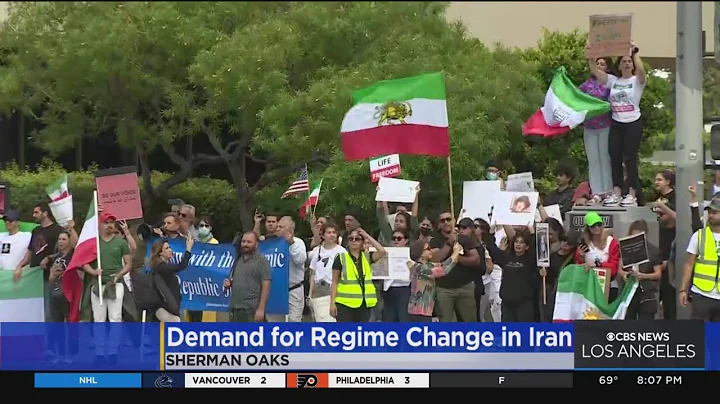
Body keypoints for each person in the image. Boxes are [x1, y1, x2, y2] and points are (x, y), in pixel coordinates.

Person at [588, 41, 646, 207]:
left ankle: (632, 194)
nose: (627, 63)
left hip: (633, 122)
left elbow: (641, 70)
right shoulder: (613, 81)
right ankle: (617, 192)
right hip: (616, 122)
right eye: (624, 61)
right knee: (614, 157)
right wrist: (591, 53)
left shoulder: (637, 80)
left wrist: (634, 52)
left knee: (630, 158)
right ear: (619, 65)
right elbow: (594, 70)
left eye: (629, 61)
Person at [430, 213, 482, 322]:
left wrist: (456, 258)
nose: (446, 222)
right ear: (439, 224)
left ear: (454, 221)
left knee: (471, 322)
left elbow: (476, 259)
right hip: (444, 289)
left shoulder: (464, 238)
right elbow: (435, 258)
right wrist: (449, 244)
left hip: (465, 286)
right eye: (442, 220)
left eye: (448, 219)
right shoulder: (435, 240)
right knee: (446, 322)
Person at [330, 228, 385, 322]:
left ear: (362, 242)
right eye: (351, 239)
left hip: (364, 303)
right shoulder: (340, 258)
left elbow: (382, 251)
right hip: (344, 304)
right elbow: (334, 282)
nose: (354, 241)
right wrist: (332, 303)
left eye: (357, 239)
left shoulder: (366, 257)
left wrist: (367, 235)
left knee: (360, 334)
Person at [679, 194, 720, 321]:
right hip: (701, 295)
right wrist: (683, 289)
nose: (711, 215)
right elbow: (689, 264)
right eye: (710, 212)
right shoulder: (699, 236)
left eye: (715, 212)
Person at [579, 57, 614, 199]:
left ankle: (608, 190)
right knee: (593, 159)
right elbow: (576, 96)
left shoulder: (610, 83)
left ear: (607, 67)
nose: (599, 66)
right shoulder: (588, 84)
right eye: (597, 63)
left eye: (602, 64)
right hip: (589, 126)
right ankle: (597, 191)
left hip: (605, 125)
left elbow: (614, 101)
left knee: (605, 158)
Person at [14, 202, 73, 282]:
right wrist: (19, 267)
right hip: (34, 275)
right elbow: (29, 252)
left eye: (36, 212)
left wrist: (49, 258)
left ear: (45, 213)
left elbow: (67, 248)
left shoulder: (57, 229)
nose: (33, 215)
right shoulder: (36, 230)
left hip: (50, 274)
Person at [407, 239, 462, 322]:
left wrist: (455, 253)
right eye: (428, 248)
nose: (431, 250)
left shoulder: (426, 265)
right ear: (421, 253)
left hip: (423, 312)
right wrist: (456, 252)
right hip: (419, 313)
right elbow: (444, 269)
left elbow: (444, 264)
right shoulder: (420, 268)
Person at [223, 232, 271, 322]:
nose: (245, 244)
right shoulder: (238, 259)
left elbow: (266, 285)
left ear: (256, 244)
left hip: (251, 310)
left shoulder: (261, 261)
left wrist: (261, 309)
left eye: (249, 242)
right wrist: (229, 283)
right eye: (243, 241)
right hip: (235, 309)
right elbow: (237, 279)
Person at [618, 220, 662, 320]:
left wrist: (643, 275)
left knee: (646, 323)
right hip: (629, 292)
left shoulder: (653, 251)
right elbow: (619, 270)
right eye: (633, 236)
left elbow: (658, 274)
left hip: (646, 292)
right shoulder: (625, 248)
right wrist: (626, 275)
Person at [575, 211, 621, 302]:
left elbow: (614, 268)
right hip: (588, 286)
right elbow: (578, 268)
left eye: (599, 224)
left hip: (608, 285)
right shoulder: (584, 243)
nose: (597, 227)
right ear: (587, 228)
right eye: (593, 225)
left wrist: (597, 265)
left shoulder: (612, 242)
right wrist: (580, 257)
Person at [148, 237, 194, 322]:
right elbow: (181, 266)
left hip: (170, 307)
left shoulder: (163, 266)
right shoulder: (161, 267)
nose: (170, 250)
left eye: (169, 247)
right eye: (166, 248)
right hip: (164, 308)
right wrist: (188, 249)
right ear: (160, 253)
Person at [308, 224, 346, 322]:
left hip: (333, 289)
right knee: (320, 319)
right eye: (329, 232)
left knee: (331, 320)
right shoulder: (317, 251)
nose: (332, 235)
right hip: (319, 288)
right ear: (323, 235)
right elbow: (313, 273)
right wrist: (310, 294)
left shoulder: (342, 252)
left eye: (334, 232)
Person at [652, 170, 676, 320]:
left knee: (669, 294)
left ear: (668, 181)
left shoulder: (675, 196)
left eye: (659, 179)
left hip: (670, 248)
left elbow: (678, 217)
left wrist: (662, 206)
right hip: (658, 245)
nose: (656, 182)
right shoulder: (658, 198)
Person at [500, 230, 538, 322]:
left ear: (527, 246)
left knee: (524, 331)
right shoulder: (506, 257)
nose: (518, 244)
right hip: (507, 303)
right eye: (516, 242)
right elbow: (493, 252)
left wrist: (533, 233)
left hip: (524, 303)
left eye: (522, 242)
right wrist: (491, 233)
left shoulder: (530, 260)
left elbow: (536, 247)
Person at [542, 231, 580, 322]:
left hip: (566, 295)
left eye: (570, 242)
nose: (566, 243)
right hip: (552, 293)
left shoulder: (574, 258)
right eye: (564, 240)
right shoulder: (552, 256)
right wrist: (542, 273)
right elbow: (546, 277)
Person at [277, 216, 308, 322]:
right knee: (275, 323)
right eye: (277, 226)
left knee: (294, 323)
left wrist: (291, 243)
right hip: (276, 291)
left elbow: (300, 260)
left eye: (281, 227)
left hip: (294, 290)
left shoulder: (298, 242)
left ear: (290, 230)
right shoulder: (272, 244)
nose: (277, 228)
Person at [380, 229, 412, 322]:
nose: (396, 240)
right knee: (389, 319)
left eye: (399, 238)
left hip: (404, 289)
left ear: (406, 241)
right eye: (394, 238)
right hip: (389, 289)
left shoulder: (411, 253)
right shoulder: (385, 252)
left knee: (403, 318)